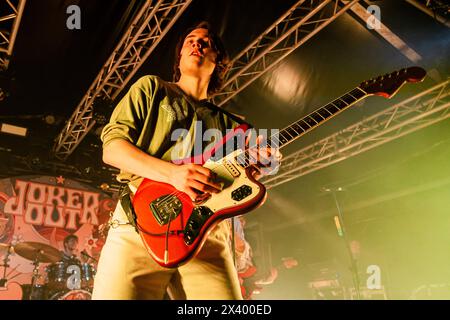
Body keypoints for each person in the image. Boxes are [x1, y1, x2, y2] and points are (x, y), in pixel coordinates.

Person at [92, 21, 281, 300]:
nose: (197, 44)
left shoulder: (236, 126)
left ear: (218, 61)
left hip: (209, 235)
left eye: (206, 42)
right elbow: (112, 150)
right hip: (141, 224)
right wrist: (173, 174)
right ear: (179, 57)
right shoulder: (151, 88)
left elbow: (245, 179)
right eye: (190, 40)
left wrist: (266, 161)